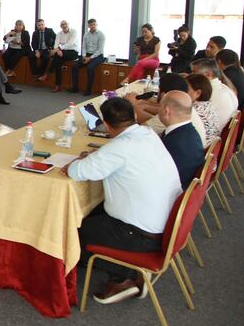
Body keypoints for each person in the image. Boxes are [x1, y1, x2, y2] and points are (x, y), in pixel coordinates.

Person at [63, 97, 182, 304]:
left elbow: (75, 171)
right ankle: (124, 269)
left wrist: (80, 160)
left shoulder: (120, 148)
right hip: (167, 224)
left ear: (107, 126)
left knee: (70, 231)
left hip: (139, 234)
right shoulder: (147, 134)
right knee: (93, 214)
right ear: (135, 117)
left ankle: (124, 277)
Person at [126, 72, 206, 144]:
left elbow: (138, 133)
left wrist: (131, 105)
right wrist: (144, 105)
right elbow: (157, 111)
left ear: (163, 94)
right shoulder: (184, 106)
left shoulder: (170, 115)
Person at [158, 91, 205, 189]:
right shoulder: (190, 132)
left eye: (159, 106)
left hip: (170, 193)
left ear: (166, 111)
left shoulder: (175, 144)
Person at [190, 58, 238, 132]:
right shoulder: (225, 88)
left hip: (210, 137)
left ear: (208, 74)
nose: (191, 75)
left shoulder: (208, 94)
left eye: (194, 72)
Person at [70, 18, 106, 95]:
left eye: (94, 24)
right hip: (86, 55)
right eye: (90, 25)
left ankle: (88, 90)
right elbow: (83, 47)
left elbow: (100, 50)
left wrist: (90, 58)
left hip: (98, 56)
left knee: (90, 68)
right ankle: (75, 88)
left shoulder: (101, 34)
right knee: (74, 66)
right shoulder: (86, 34)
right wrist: (83, 56)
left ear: (96, 25)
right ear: (88, 26)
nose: (92, 26)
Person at [186, 73, 220, 147]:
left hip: (201, 151)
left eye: (186, 89)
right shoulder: (208, 105)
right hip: (210, 150)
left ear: (198, 93)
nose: (182, 92)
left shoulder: (192, 110)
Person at [46, 20, 79, 91]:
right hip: (62, 52)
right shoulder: (59, 34)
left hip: (73, 52)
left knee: (56, 57)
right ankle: (57, 85)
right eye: (62, 25)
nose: (64, 25)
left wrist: (58, 49)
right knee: (57, 63)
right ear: (60, 26)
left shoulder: (74, 32)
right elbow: (56, 44)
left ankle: (48, 73)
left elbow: (70, 43)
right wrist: (57, 50)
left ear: (68, 24)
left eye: (65, 24)